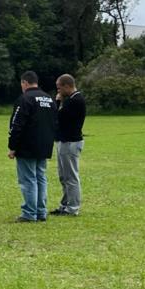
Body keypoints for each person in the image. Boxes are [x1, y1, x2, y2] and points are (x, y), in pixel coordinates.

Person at [8, 71, 57, 222]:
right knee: (41, 177)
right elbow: (55, 122)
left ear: (25, 83)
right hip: (45, 144)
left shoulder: (25, 99)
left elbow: (17, 124)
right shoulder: (49, 99)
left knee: (28, 179)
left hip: (27, 145)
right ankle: (41, 211)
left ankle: (29, 213)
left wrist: (12, 146)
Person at [52, 73, 86, 216]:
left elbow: (57, 117)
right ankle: (65, 205)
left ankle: (73, 208)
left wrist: (58, 102)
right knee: (63, 176)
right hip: (64, 141)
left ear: (67, 86)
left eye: (59, 88)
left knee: (71, 177)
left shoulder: (75, 100)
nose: (58, 91)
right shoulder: (71, 99)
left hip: (70, 142)